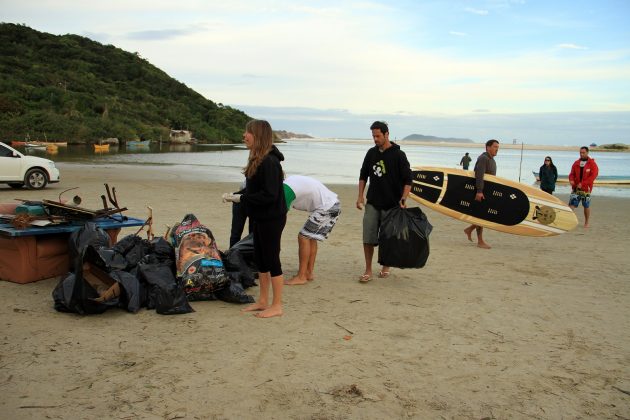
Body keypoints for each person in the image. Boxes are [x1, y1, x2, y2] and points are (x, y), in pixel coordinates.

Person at [222, 120, 287, 318]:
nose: (244, 135)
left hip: (272, 218)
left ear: (258, 135)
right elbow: (252, 190)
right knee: (260, 260)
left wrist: (242, 198)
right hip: (259, 216)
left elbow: (270, 195)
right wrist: (236, 194)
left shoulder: (269, 161)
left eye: (248, 132)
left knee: (271, 259)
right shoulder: (257, 158)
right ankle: (262, 300)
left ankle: (277, 305)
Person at [356, 121, 412, 283]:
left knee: (388, 238)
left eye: (378, 136)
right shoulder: (371, 153)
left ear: (387, 134)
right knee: (368, 237)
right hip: (373, 202)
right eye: (373, 136)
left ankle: (386, 265)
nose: (375, 139)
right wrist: (360, 196)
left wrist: (403, 198)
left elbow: (408, 179)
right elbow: (363, 175)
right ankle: (368, 269)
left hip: (392, 204)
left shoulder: (398, 155)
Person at [282, 175, 341, 286]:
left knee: (303, 237)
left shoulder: (286, 189)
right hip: (331, 204)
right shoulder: (290, 181)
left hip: (327, 207)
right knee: (310, 237)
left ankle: (301, 276)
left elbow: (280, 213)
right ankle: (308, 273)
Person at [464, 139, 500, 249]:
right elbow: (479, 175)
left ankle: (469, 229)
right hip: (481, 192)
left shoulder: (491, 160)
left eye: (498, 147)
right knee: (481, 215)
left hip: (487, 192)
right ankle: (480, 241)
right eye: (495, 147)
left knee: (484, 215)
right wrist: (479, 191)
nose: (497, 149)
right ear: (488, 147)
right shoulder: (483, 158)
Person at [569, 146, 599, 228]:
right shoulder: (576, 163)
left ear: (587, 153)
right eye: (580, 153)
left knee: (586, 206)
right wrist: (571, 180)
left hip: (586, 189)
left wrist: (583, 183)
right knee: (572, 205)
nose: (581, 154)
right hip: (576, 188)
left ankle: (586, 222)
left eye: (583, 153)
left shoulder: (592, 164)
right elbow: (572, 174)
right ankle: (568, 221)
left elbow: (593, 176)